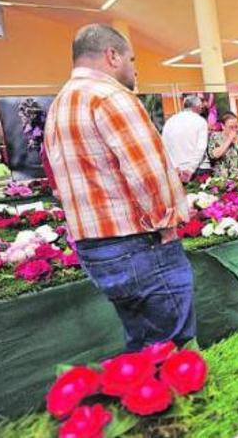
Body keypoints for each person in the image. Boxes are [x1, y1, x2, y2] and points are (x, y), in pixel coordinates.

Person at [44, 23, 194, 351]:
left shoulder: (59, 105)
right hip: (138, 245)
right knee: (174, 349)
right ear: (112, 56)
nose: (134, 68)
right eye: (132, 58)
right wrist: (168, 222)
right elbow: (148, 173)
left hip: (95, 248)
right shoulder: (110, 96)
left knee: (142, 343)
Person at [161, 94, 209, 182]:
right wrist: (190, 169)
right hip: (197, 169)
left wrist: (175, 167)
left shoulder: (170, 121)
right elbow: (201, 148)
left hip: (176, 170)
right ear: (197, 107)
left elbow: (164, 146)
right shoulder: (201, 121)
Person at [208, 112, 238, 180]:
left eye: (236, 127)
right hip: (223, 178)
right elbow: (215, 155)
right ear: (223, 126)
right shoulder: (215, 137)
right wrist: (229, 139)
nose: (234, 130)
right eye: (231, 127)